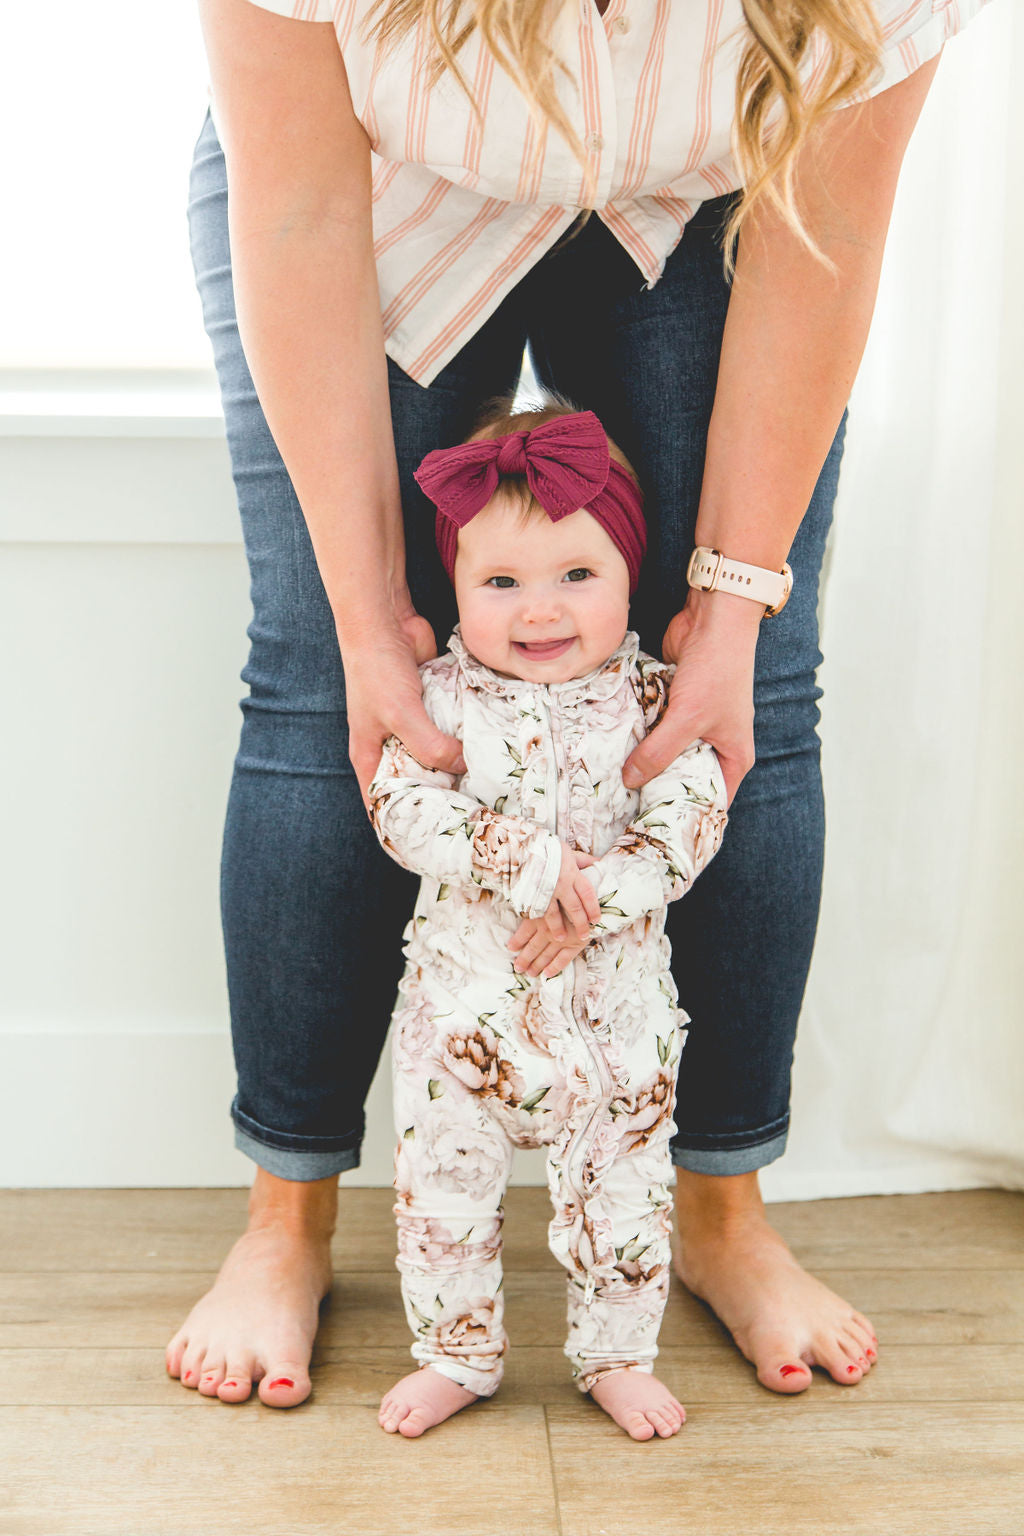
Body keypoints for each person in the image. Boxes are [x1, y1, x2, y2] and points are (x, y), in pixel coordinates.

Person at [167, 0, 984, 1408]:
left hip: (705, 210)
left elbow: (826, 234)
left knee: (747, 693)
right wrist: (371, 620)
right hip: (372, 190)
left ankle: (725, 1216)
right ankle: (283, 1221)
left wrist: (729, 608)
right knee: (324, 683)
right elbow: (297, 211)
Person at [371, 400, 727, 1440]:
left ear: (628, 576)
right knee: (442, 1199)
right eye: (500, 583)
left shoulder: (656, 702)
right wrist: (530, 865)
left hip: (617, 1028)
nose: (540, 610)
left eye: (577, 575)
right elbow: (402, 806)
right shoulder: (438, 701)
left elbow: (690, 817)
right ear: (455, 588)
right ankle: (455, 1352)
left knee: (625, 1199)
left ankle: (615, 1354)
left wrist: (594, 900)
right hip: (464, 1025)